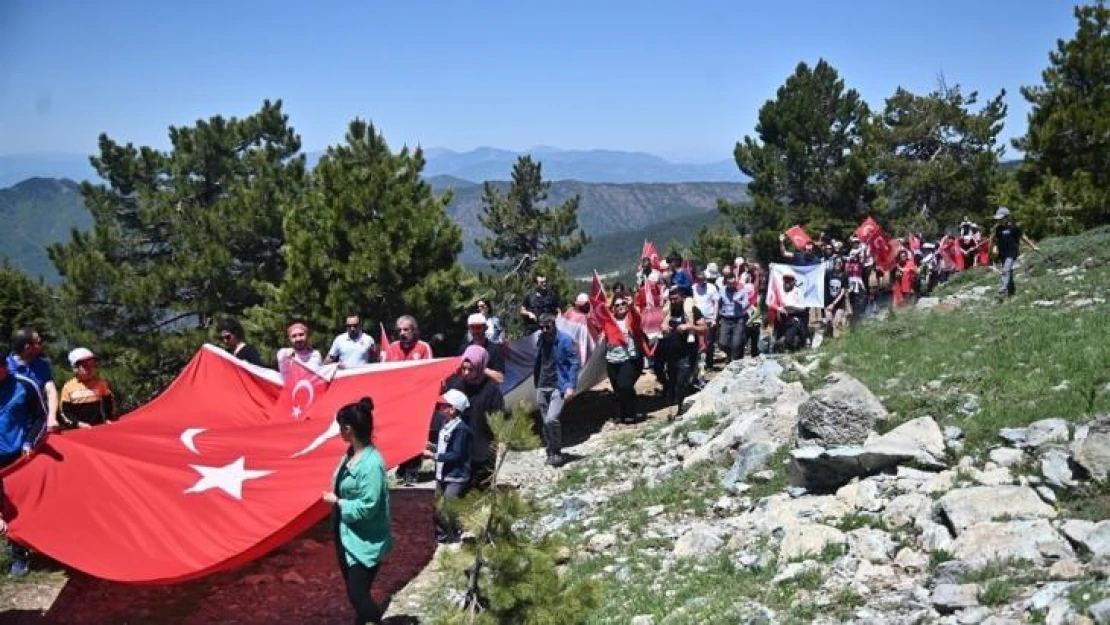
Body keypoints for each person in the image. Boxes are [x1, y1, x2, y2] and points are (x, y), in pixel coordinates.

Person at [322, 397, 392, 625]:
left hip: (365, 540)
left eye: (340, 427)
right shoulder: (351, 454)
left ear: (349, 428)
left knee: (357, 593)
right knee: (355, 592)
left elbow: (369, 507)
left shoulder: (372, 465)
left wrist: (338, 502)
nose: (338, 431)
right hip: (346, 535)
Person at [0, 356, 46, 577]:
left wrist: (30, 441)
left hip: (17, 458)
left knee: (18, 506)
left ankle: (20, 555)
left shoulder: (24, 384)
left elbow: (41, 417)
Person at [446, 345, 505, 488]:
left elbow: (498, 418)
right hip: (460, 446)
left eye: (470, 369)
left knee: (481, 487)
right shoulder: (456, 386)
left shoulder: (491, 391)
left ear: (480, 367)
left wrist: (500, 441)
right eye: (464, 368)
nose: (466, 373)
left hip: (484, 446)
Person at [384, 315, 433, 485]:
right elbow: (383, 372)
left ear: (414, 331)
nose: (402, 333)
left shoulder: (423, 347)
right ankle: (403, 465)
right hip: (397, 402)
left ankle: (412, 470)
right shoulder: (392, 348)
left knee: (414, 436)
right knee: (399, 436)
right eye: (399, 330)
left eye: (406, 330)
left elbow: (430, 373)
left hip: (417, 402)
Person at [423, 389, 472, 544]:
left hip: (455, 476)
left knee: (448, 507)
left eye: (443, 405)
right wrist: (433, 447)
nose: (439, 408)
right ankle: (441, 536)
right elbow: (445, 447)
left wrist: (434, 456)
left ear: (452, 409)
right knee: (437, 507)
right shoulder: (445, 426)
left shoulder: (461, 430)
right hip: (442, 474)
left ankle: (455, 534)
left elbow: (456, 454)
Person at [533, 313, 580, 467]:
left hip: (558, 386)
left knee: (551, 419)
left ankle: (557, 450)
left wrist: (571, 386)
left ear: (554, 324)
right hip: (542, 384)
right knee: (545, 423)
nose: (545, 330)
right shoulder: (540, 340)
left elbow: (574, 363)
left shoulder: (565, 340)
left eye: (548, 326)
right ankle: (551, 452)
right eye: (542, 327)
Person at [658, 286, 706, 417]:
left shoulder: (692, 310)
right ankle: (675, 409)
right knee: (672, 382)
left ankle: (682, 410)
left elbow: (704, 328)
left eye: (676, 298)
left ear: (682, 297)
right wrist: (663, 328)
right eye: (671, 299)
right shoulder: (668, 311)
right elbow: (660, 324)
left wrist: (690, 326)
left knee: (681, 382)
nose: (673, 301)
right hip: (671, 354)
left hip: (687, 354)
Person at [7, 327, 58, 431]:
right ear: (27, 347)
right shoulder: (5, 367)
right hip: (9, 425)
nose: (42, 344)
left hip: (35, 423)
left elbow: (51, 391)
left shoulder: (42, 365)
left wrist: (51, 417)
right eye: (39, 342)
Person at [605, 296, 645, 424]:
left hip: (630, 359)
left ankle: (631, 413)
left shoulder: (631, 318)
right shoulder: (608, 321)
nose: (621, 306)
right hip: (612, 360)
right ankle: (622, 414)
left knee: (625, 385)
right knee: (618, 390)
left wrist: (632, 307)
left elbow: (638, 319)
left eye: (623, 303)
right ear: (613, 309)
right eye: (617, 305)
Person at [990, 207, 1040, 300]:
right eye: (998, 219)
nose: (999, 221)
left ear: (1007, 217)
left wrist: (1033, 246)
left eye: (1001, 218)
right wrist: (994, 248)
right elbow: (995, 240)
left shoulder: (1014, 228)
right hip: (1002, 253)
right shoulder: (998, 229)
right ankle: (1011, 292)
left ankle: (1001, 292)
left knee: (1006, 270)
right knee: (1009, 272)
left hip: (1012, 253)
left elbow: (1023, 237)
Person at [59, 348, 115, 429]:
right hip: (78, 430)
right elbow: (64, 412)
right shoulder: (68, 387)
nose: (90, 369)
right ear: (75, 368)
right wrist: (77, 423)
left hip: (98, 428)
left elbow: (109, 402)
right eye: (85, 366)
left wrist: (108, 419)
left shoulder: (100, 383)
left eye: (92, 365)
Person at [459, 314, 505, 385]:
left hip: (487, 392)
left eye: (478, 327)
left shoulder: (494, 349)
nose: (475, 331)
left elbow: (500, 379)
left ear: (485, 328)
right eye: (472, 327)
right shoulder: (464, 349)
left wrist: (479, 367)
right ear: (469, 329)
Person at [771, 271, 808, 352]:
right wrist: (778, 308)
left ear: (794, 281)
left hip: (794, 315)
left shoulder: (798, 292)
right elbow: (772, 303)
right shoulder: (778, 290)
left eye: (790, 279)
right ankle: (777, 340)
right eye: (785, 279)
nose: (787, 281)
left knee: (795, 323)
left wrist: (793, 308)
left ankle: (786, 340)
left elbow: (803, 308)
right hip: (780, 315)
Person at [692, 268, 721, 371]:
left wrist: (714, 319)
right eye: (698, 279)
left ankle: (709, 363)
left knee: (709, 342)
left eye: (702, 279)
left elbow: (716, 303)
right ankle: (699, 364)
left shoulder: (712, 288)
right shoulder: (693, 288)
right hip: (697, 320)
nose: (700, 281)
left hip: (709, 319)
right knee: (699, 343)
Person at [716, 277, 749, 362]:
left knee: (736, 343)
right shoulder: (722, 290)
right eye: (729, 283)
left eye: (733, 283)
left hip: (738, 319)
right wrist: (717, 317)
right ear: (726, 283)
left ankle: (733, 361)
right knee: (722, 343)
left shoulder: (741, 290)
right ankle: (729, 353)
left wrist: (739, 302)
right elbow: (718, 303)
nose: (731, 285)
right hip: (725, 319)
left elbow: (746, 304)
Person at [824, 258, 849, 338]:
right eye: (836, 262)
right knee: (829, 321)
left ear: (842, 264)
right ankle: (828, 336)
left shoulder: (844, 275)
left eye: (840, 262)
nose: (838, 264)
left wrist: (834, 304)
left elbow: (842, 292)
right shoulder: (828, 273)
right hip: (828, 301)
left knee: (836, 323)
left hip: (839, 302)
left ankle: (837, 340)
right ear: (834, 263)